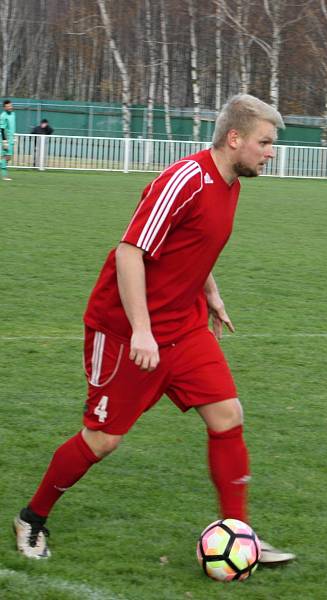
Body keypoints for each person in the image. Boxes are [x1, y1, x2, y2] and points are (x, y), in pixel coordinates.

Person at [14, 94, 296, 567]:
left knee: (228, 416)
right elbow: (130, 252)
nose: (271, 152)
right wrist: (141, 330)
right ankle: (31, 517)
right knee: (103, 440)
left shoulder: (230, 185)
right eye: (265, 142)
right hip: (125, 332)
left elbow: (191, 245)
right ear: (234, 139)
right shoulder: (184, 179)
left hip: (184, 328)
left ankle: (239, 533)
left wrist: (211, 292)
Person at [0, 99, 16, 181]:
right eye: (8, 106)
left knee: (8, 157)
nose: (10, 107)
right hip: (5, 139)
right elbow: (2, 129)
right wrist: (4, 141)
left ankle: (4, 174)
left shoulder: (13, 114)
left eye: (11, 105)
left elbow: (12, 127)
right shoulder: (3, 116)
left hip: (11, 139)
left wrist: (13, 138)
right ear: (4, 107)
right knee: (5, 157)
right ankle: (4, 176)